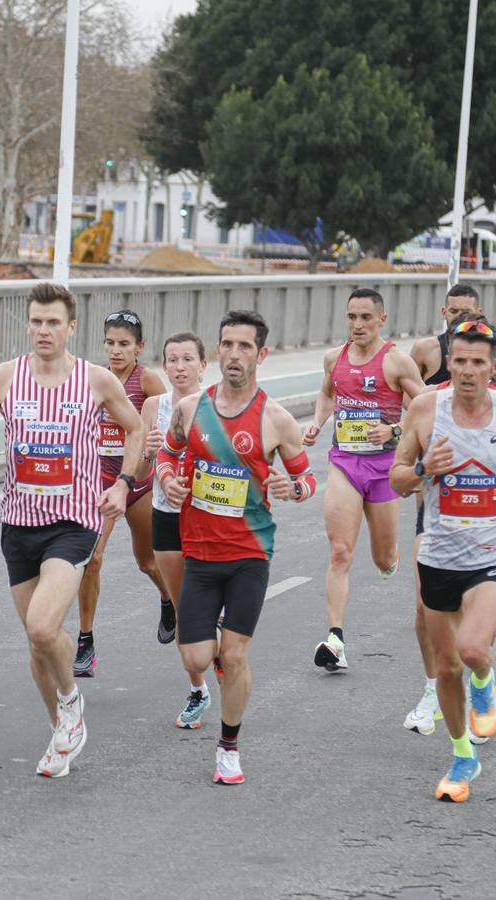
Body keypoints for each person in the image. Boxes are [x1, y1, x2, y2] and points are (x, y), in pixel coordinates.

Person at [0, 282, 146, 778]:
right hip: (18, 523)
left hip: (74, 522)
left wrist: (124, 484)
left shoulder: (97, 380)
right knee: (37, 642)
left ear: (71, 328)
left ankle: (70, 701)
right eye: (37, 322)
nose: (44, 330)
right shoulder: (2, 378)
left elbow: (137, 430)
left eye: (54, 323)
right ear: (29, 324)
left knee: (44, 626)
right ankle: (62, 731)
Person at [156, 309, 315, 784]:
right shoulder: (191, 409)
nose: (234, 354)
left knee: (238, 654)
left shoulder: (277, 419)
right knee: (196, 658)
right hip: (200, 553)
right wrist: (167, 478)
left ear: (261, 355)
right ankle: (218, 661)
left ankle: (228, 747)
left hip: (249, 554)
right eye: (227, 344)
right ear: (217, 349)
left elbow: (307, 477)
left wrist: (295, 489)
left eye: (245, 346)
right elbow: (167, 452)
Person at [390, 319, 496, 802]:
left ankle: (487, 681)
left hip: (493, 553)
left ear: (494, 365)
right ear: (448, 362)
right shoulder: (423, 409)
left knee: (474, 650)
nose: (467, 371)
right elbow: (396, 478)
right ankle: (462, 755)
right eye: (459, 361)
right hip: (439, 552)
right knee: (446, 666)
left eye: (478, 362)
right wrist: (421, 469)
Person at [303, 288, 424, 672]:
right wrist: (318, 421)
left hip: (385, 468)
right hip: (344, 463)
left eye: (365, 318)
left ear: (381, 320)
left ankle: (389, 560)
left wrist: (393, 430)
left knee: (384, 557)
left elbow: (425, 412)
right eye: (352, 317)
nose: (357, 325)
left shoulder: (397, 363)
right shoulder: (332, 358)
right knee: (340, 552)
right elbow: (326, 395)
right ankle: (335, 638)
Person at [74, 310, 171, 676]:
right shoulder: (92, 379)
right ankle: (85, 641)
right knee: (92, 558)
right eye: (110, 343)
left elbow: (170, 426)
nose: (116, 351)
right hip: (101, 483)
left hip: (139, 484)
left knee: (147, 562)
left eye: (124, 344)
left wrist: (140, 432)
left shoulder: (148, 382)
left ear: (139, 347)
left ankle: (167, 599)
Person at [136, 332, 215, 728]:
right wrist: (149, 453)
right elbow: (138, 472)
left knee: (208, 602)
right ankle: (198, 688)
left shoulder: (217, 404)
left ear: (203, 364)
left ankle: (221, 651)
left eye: (188, 359)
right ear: (164, 366)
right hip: (166, 513)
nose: (179, 367)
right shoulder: (154, 406)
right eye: (172, 360)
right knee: (184, 605)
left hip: (210, 516)